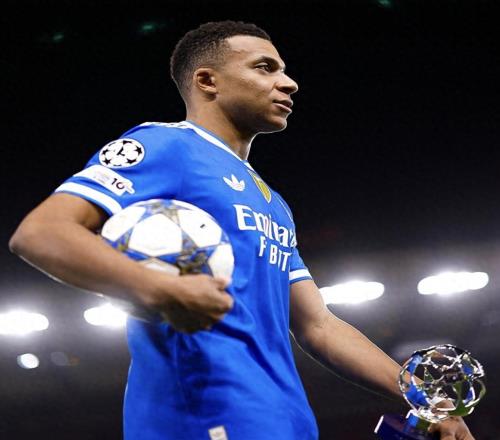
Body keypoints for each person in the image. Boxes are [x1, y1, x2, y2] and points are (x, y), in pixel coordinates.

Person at [9, 20, 474, 440]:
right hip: (203, 413)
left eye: (284, 70)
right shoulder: (166, 144)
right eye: (265, 68)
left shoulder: (274, 203)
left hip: (287, 420)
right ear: (207, 81)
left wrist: (424, 399)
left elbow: (318, 325)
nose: (288, 82)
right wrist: (158, 288)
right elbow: (42, 233)